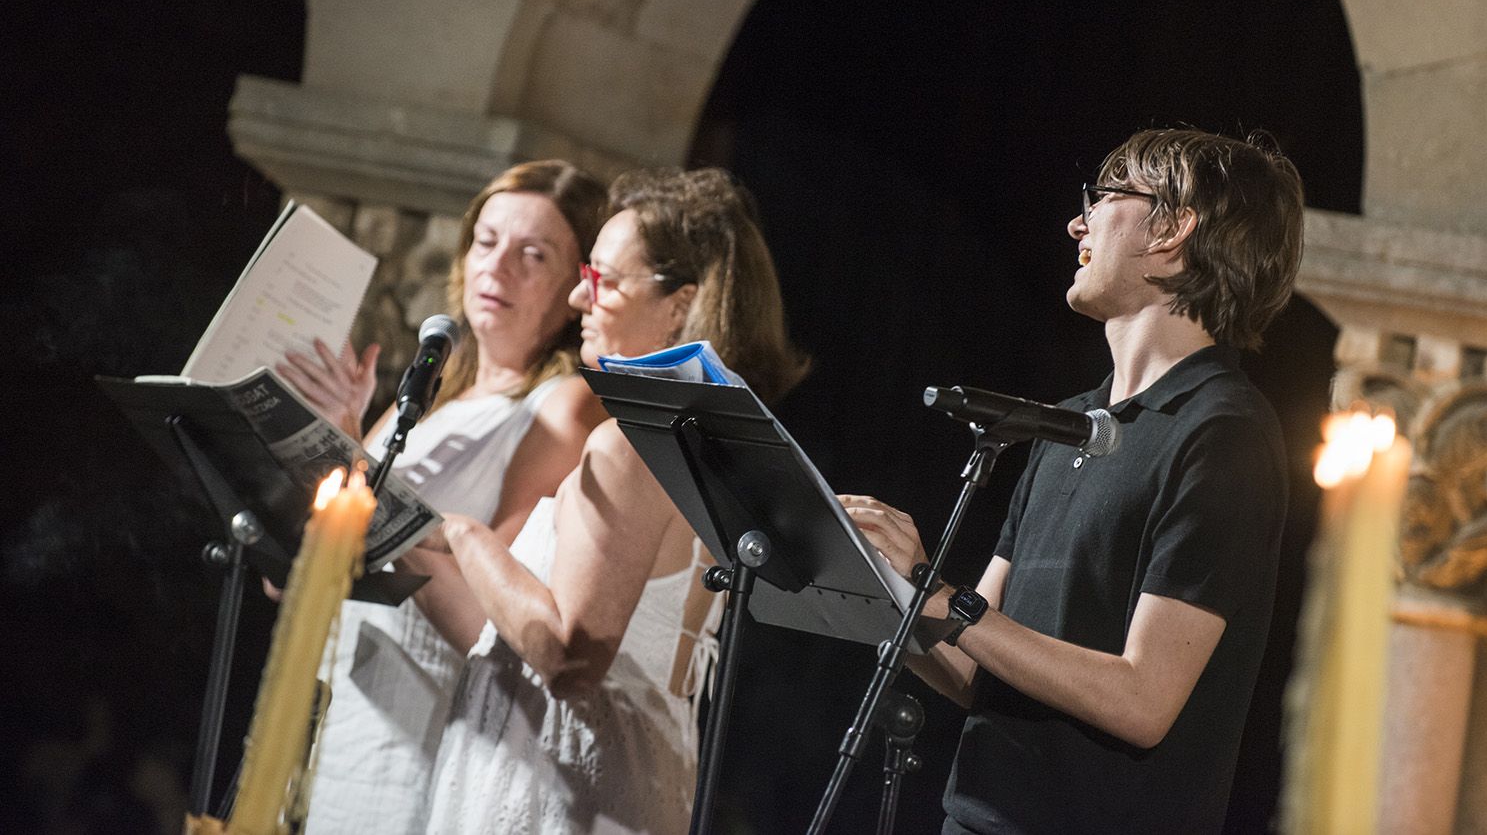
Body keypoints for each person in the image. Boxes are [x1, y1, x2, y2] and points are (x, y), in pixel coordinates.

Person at [843, 128, 1304, 834]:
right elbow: (975, 669)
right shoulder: (1065, 426)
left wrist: (941, 596)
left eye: (1106, 195)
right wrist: (877, 584)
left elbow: (1143, 701)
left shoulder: (1224, 432)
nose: (1076, 221)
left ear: (1174, 229)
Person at [421, 167, 808, 835]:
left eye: (602, 279)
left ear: (679, 305)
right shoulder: (699, 444)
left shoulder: (631, 449)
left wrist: (460, 534)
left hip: (566, 793)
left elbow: (571, 660)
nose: (577, 297)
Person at [284, 160, 611, 835]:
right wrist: (331, 443)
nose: (498, 268)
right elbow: (298, 576)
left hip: (420, 744)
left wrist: (377, 507)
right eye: (486, 242)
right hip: (333, 723)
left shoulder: (561, 408)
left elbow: (492, 628)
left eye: (534, 254)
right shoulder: (425, 409)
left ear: (577, 286)